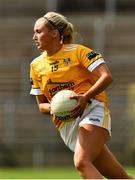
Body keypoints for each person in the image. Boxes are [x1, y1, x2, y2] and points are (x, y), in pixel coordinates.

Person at [30, 12, 133, 179]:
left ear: (55, 33)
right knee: (120, 177)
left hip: (92, 111)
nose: (34, 37)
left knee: (81, 162)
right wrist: (55, 107)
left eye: (39, 31)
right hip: (66, 125)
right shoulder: (35, 65)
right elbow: (41, 105)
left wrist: (85, 97)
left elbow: (106, 76)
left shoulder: (78, 52)